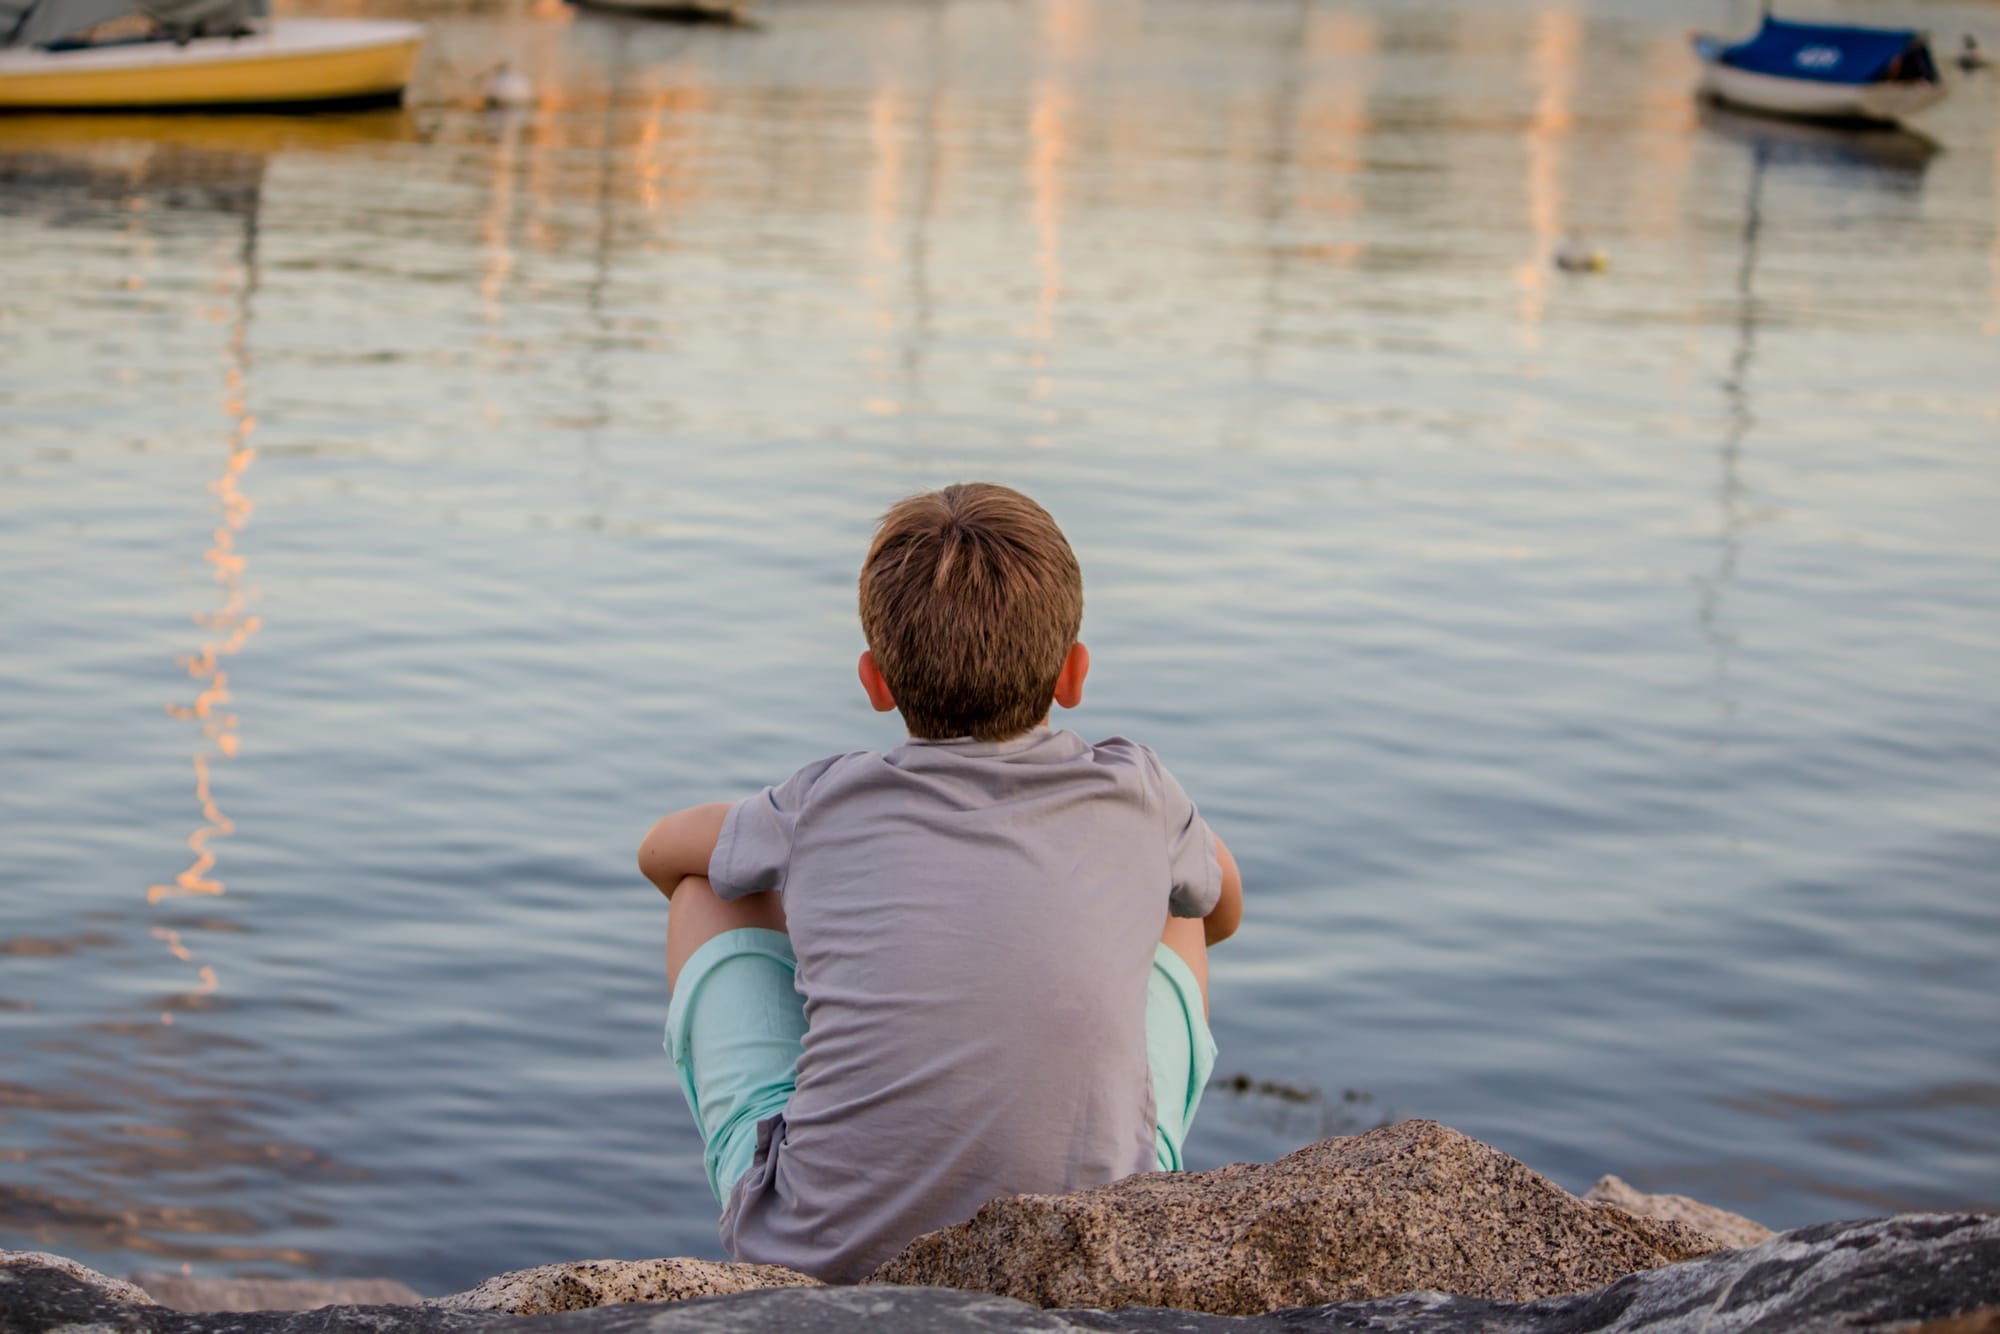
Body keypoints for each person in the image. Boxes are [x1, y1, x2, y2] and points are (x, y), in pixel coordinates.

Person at [637, 482, 1244, 1283]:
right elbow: (1224, 906)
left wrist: (825, 912)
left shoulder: (822, 802)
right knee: (1180, 906)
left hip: (821, 1254)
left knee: (705, 889)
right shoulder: (1140, 790)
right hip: (1098, 1242)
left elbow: (660, 852)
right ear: (1074, 674)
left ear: (875, 681)